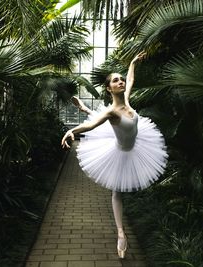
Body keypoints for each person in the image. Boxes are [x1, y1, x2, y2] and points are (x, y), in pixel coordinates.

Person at [61, 52, 168, 259]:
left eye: (120, 79)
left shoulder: (127, 99)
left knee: (127, 186)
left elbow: (131, 80)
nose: (120, 82)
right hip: (120, 151)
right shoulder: (111, 112)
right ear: (109, 89)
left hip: (139, 144)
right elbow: (91, 125)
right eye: (115, 81)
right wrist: (71, 131)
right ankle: (120, 232)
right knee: (117, 191)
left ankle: (84, 107)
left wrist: (133, 63)